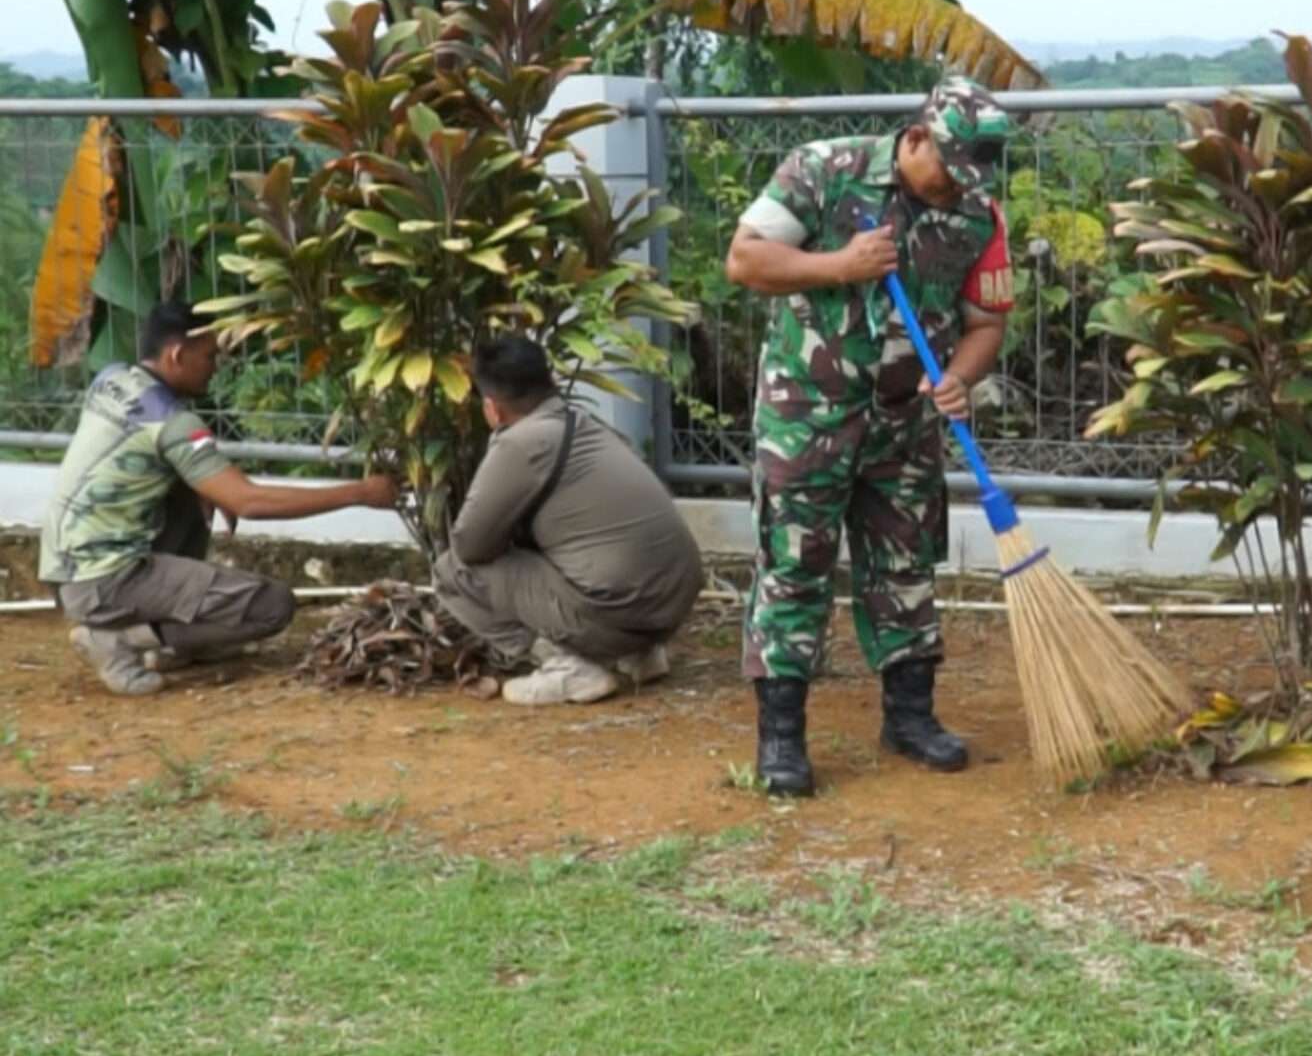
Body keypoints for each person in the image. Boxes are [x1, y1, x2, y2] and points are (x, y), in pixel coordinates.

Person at [725, 75, 1015, 796]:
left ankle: (910, 718)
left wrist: (960, 376)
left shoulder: (981, 215)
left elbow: (987, 324)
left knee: (906, 568)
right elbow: (746, 259)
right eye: (949, 171)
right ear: (915, 138)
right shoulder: (823, 169)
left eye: (972, 176)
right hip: (806, 414)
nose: (957, 188)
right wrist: (841, 266)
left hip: (905, 422)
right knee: (796, 565)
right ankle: (782, 741)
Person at [41, 301, 398, 695]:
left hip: (63, 567)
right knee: (272, 605)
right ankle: (118, 640)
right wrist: (361, 493)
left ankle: (174, 637)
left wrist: (202, 488)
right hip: (106, 577)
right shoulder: (172, 422)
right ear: (177, 354)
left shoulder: (112, 378)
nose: (215, 366)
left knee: (192, 495)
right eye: (209, 356)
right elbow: (249, 502)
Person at [432, 335, 703, 706]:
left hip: (620, 612)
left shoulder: (521, 442)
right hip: (672, 606)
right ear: (551, 382)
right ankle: (640, 656)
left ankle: (569, 667)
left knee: (454, 572)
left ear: (492, 408)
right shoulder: (583, 423)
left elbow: (470, 545)